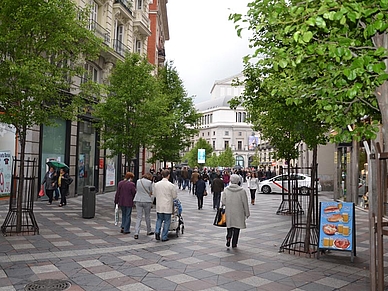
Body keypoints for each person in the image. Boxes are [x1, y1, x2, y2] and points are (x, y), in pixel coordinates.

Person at [221, 174, 250, 248]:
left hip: (229, 211)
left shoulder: (226, 189)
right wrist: (247, 213)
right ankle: (234, 243)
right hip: (239, 212)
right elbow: (245, 202)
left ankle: (228, 237)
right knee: (237, 228)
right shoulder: (242, 191)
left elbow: (223, 201)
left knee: (229, 226)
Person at [154, 169, 177, 242]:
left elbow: (154, 194)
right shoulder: (171, 185)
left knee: (159, 219)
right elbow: (174, 196)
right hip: (167, 205)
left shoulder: (156, 184)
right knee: (167, 221)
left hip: (159, 205)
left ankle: (157, 231)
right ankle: (164, 236)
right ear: (168, 175)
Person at [133, 173, 154, 239]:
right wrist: (152, 202)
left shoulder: (138, 181)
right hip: (147, 200)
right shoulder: (150, 183)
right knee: (147, 216)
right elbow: (151, 192)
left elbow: (137, 190)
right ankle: (149, 230)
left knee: (139, 217)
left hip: (138, 200)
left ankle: (136, 232)